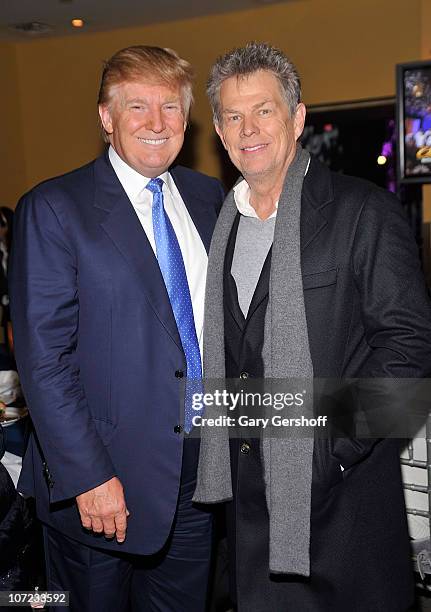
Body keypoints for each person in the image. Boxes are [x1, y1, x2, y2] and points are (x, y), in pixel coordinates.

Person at [193, 42, 431, 611]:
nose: (248, 128)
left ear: (297, 118)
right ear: (221, 135)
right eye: (232, 116)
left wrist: (332, 448)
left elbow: (411, 350)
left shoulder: (364, 212)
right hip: (248, 521)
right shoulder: (219, 228)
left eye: (264, 110)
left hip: (343, 516)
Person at [10, 45, 224, 612]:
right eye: (137, 106)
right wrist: (89, 478)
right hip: (103, 485)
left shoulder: (210, 199)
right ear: (106, 119)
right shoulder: (55, 208)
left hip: (198, 478)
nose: (157, 123)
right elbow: (44, 360)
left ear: (187, 119)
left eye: (171, 108)